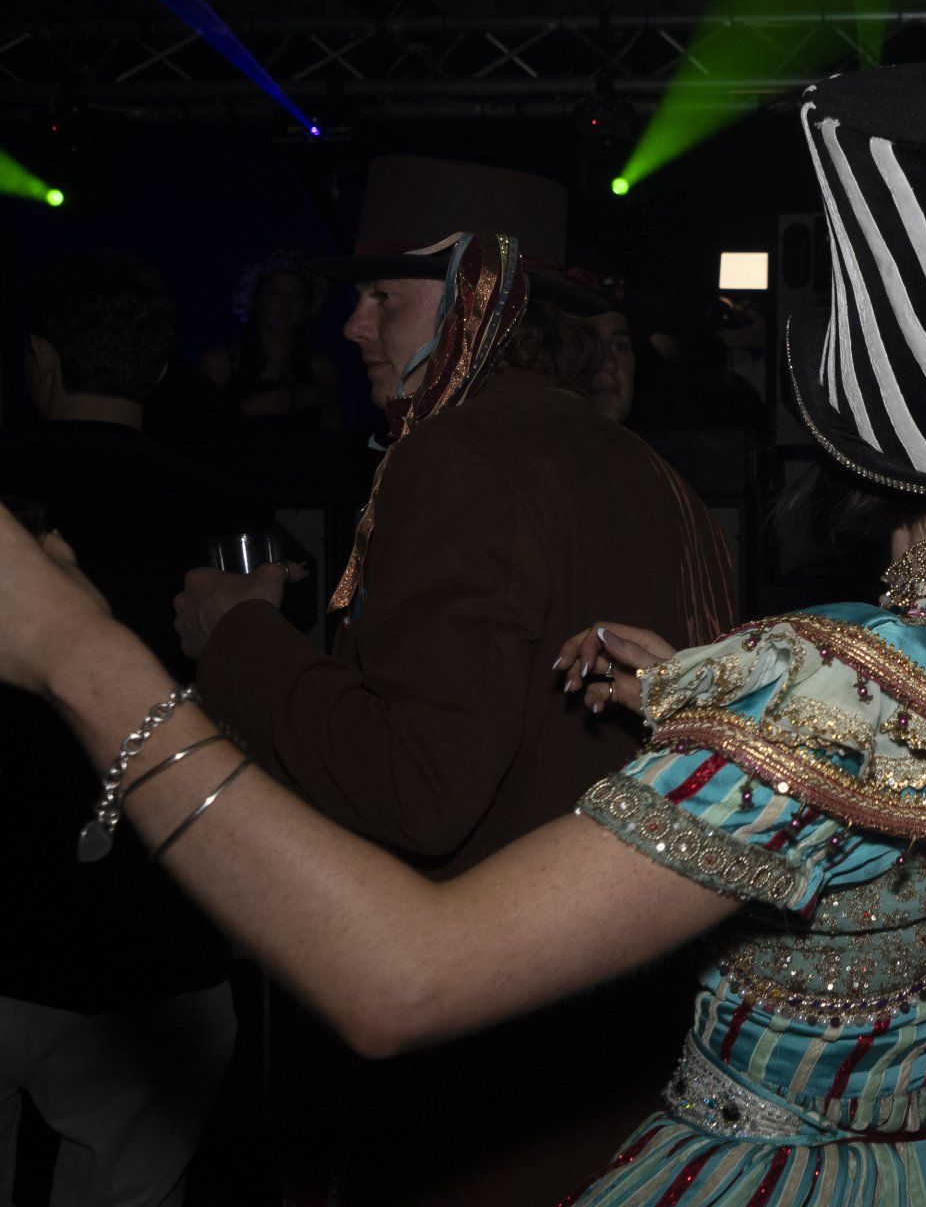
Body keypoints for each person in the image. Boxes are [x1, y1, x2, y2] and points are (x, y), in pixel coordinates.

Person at [0, 63, 926, 1207]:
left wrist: (78, 652)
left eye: (386, 296)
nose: (354, 324)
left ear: (835, 417)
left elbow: (401, 977)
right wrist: (714, 703)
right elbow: (921, 784)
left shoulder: (818, 696)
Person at [169, 157, 738, 1207]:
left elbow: (414, 787)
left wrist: (237, 638)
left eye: (384, 297)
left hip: (485, 1078)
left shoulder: (461, 456)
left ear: (484, 298)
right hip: (626, 1069)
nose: (352, 326)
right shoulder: (655, 476)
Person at [1, 255, 269, 1207]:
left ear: (40, 359)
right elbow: (272, 712)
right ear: (156, 372)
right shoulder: (229, 515)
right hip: (155, 936)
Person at [201, 255, 342, 430]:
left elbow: (334, 433)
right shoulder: (220, 364)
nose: (286, 303)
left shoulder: (321, 370)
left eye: (297, 296)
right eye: (275, 292)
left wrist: (321, 399)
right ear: (257, 299)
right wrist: (246, 409)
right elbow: (199, 427)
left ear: (307, 307)